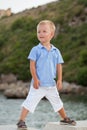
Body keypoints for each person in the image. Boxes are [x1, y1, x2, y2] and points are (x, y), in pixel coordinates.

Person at [17, 20, 76, 129]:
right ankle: (21, 121)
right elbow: (32, 66)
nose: (41, 34)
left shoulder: (56, 51)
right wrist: (35, 79)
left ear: (51, 34)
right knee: (29, 102)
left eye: (44, 31)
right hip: (38, 84)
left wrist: (59, 80)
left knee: (57, 102)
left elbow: (59, 66)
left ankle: (64, 119)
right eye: (39, 32)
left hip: (51, 84)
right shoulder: (35, 50)